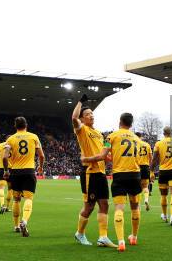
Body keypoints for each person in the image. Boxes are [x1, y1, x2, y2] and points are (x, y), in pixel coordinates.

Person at [82, 113, 142, 252]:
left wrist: (87, 159)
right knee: (135, 207)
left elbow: (103, 156)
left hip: (119, 175)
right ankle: (133, 237)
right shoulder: (137, 139)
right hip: (134, 175)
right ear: (131, 124)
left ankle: (121, 242)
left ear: (120, 121)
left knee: (119, 208)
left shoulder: (111, 136)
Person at [71, 94, 116, 248]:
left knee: (104, 204)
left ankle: (103, 237)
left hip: (101, 173)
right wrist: (80, 102)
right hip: (90, 172)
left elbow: (105, 153)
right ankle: (80, 233)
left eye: (92, 114)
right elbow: (73, 117)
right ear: (82, 119)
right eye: (88, 114)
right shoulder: (82, 129)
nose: (91, 115)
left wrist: (110, 158)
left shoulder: (99, 133)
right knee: (89, 206)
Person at [3, 117, 45, 237]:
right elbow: (41, 155)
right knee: (28, 199)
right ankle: (24, 221)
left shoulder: (10, 139)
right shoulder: (33, 137)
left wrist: (6, 171)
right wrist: (40, 167)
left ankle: (16, 226)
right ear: (26, 125)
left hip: (15, 172)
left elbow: (5, 157)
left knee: (16, 200)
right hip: (29, 171)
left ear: (15, 126)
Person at [151, 126, 172, 226]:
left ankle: (165, 215)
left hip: (163, 171)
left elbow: (154, 159)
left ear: (163, 133)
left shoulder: (158, 143)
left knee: (163, 195)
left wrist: (151, 171)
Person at [0, 136, 13, 214]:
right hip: (12, 170)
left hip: (2, 169)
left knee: (1, 188)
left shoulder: (0, 145)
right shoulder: (14, 145)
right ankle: (7, 207)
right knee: (10, 189)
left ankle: (2, 205)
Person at [135, 132, 153, 211]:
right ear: (141, 137)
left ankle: (138, 205)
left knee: (138, 187)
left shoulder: (134, 145)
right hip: (145, 167)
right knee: (145, 187)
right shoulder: (147, 145)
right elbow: (151, 158)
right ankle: (146, 200)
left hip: (137, 167)